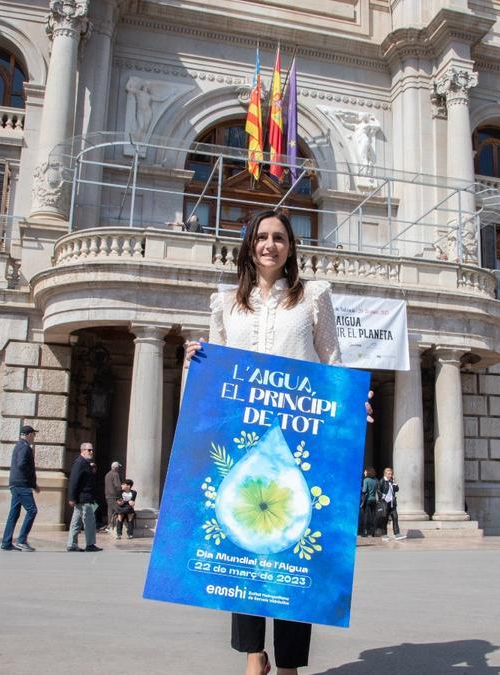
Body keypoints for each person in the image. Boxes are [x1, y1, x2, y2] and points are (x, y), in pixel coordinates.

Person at [186, 209, 370, 675]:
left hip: (299, 437)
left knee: (295, 552)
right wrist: (197, 358)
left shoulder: (313, 296)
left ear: (291, 247)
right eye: (262, 237)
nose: (270, 244)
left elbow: (332, 360)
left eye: (280, 238)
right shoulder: (225, 302)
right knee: (239, 543)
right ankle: (254, 654)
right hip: (242, 436)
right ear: (249, 245)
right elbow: (217, 369)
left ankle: (288, 663)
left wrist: (350, 403)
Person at [2, 425, 39, 552]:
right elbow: (22, 464)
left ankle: (6, 542)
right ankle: (21, 540)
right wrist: (31, 481)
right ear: (29, 434)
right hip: (21, 484)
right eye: (33, 434)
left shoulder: (18, 445)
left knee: (14, 513)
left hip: (15, 483)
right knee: (32, 510)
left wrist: (34, 485)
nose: (34, 437)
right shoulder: (25, 447)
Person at [67, 443, 102, 552]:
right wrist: (71, 497)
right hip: (84, 498)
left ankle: (72, 544)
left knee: (76, 522)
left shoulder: (86, 463)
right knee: (90, 522)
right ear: (82, 450)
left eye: (92, 450)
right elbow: (73, 481)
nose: (91, 452)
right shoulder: (80, 463)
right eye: (89, 450)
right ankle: (90, 544)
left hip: (83, 498)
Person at [378, 467, 404, 540]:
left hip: (392, 503)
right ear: (385, 474)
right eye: (389, 474)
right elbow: (378, 490)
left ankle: (397, 534)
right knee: (385, 518)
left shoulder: (392, 482)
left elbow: (397, 489)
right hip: (385, 503)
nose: (390, 475)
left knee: (395, 517)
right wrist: (384, 496)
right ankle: (384, 535)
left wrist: (395, 481)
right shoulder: (382, 481)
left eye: (391, 474)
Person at [102, 460, 123, 533]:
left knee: (110, 511)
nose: (119, 469)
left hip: (108, 496)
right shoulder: (115, 474)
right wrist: (121, 490)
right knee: (119, 510)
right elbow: (117, 485)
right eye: (118, 468)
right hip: (114, 496)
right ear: (116, 468)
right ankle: (113, 526)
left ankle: (109, 526)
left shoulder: (107, 474)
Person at [360, 468, 379, 537]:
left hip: (367, 500)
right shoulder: (376, 480)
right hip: (374, 500)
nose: (364, 472)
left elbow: (364, 491)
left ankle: (365, 532)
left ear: (368, 472)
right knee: (373, 516)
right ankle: (373, 531)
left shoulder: (366, 480)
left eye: (365, 472)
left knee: (366, 516)